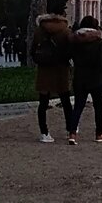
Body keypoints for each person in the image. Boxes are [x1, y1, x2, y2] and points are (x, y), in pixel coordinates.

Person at [30, 12, 74, 143]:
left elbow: (33, 51)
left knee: (43, 103)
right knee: (65, 101)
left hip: (44, 69)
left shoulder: (39, 31)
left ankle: (44, 132)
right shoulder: (65, 31)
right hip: (61, 68)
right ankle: (70, 129)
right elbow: (71, 49)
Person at [68, 14, 102, 144]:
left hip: (80, 76)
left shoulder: (75, 42)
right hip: (95, 77)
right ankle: (99, 134)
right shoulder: (98, 42)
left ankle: (72, 134)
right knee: (98, 108)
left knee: (78, 107)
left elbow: (69, 57)